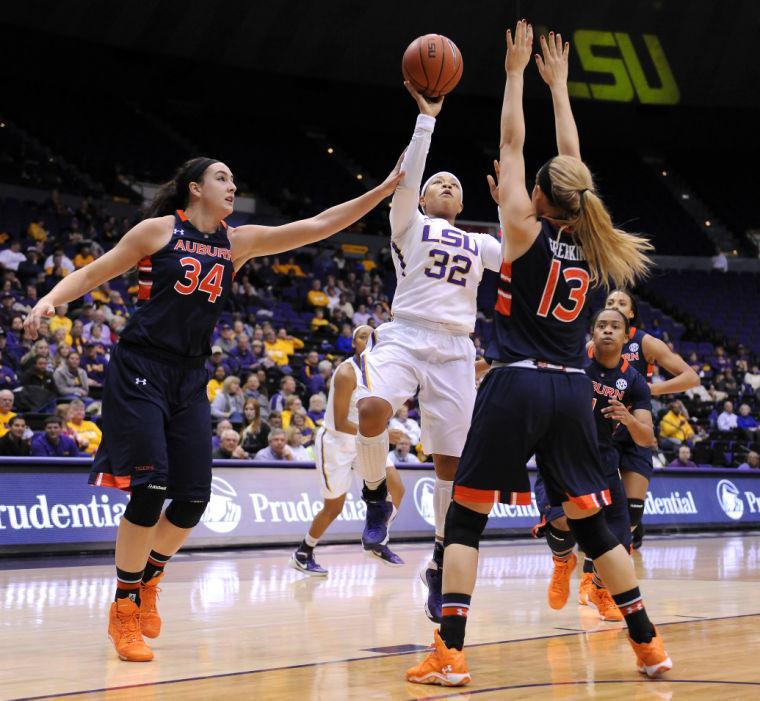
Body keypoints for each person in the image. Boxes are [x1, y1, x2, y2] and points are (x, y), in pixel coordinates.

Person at [24, 154, 404, 663]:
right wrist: (50, 300)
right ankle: (123, 607)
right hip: (140, 367)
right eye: (222, 178)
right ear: (194, 187)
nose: (232, 185)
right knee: (150, 488)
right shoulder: (157, 231)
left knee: (193, 499)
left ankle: (151, 577)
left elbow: (314, 226)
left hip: (190, 375)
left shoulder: (236, 242)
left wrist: (381, 191)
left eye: (232, 179)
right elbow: (96, 271)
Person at [406, 24, 669, 687]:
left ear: (539, 197)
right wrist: (561, 90)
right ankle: (649, 645)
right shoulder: (594, 238)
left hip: (517, 381)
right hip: (572, 391)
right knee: (599, 526)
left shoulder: (520, 224)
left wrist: (518, 75)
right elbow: (567, 158)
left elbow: (512, 143)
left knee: (466, 514)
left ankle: (451, 651)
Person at [354, 79, 502, 625]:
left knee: (453, 465)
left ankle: (440, 564)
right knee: (371, 411)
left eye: (452, 184)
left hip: (456, 348)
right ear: (420, 198)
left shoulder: (481, 242)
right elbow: (409, 172)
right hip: (406, 333)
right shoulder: (408, 224)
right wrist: (427, 120)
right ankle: (375, 494)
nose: (442, 185)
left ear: (462, 203)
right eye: (435, 182)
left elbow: (522, 255)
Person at [533, 309, 653, 621]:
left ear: (627, 337)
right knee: (561, 522)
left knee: (619, 538)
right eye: (601, 326)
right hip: (559, 452)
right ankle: (562, 561)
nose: (608, 331)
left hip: (601, 460)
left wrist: (627, 418)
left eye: (615, 327)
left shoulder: (634, 382)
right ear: (592, 333)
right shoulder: (573, 361)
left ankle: (601, 590)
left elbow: (646, 438)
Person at [291, 326, 405, 574]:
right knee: (334, 507)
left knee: (397, 488)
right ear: (353, 343)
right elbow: (341, 422)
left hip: (365, 441)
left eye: (372, 336)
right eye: (362, 336)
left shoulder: (382, 372)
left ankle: (377, 539)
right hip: (337, 442)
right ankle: (304, 551)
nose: (368, 339)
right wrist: (383, 434)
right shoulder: (345, 372)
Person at [604, 289, 699, 548]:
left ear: (631, 313)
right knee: (600, 508)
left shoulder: (644, 342)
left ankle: (611, 568)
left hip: (637, 427)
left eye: (622, 303)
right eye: (610, 302)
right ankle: (597, 569)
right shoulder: (593, 345)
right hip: (603, 429)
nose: (615, 305)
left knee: (632, 513)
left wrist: (650, 388)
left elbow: (691, 377)